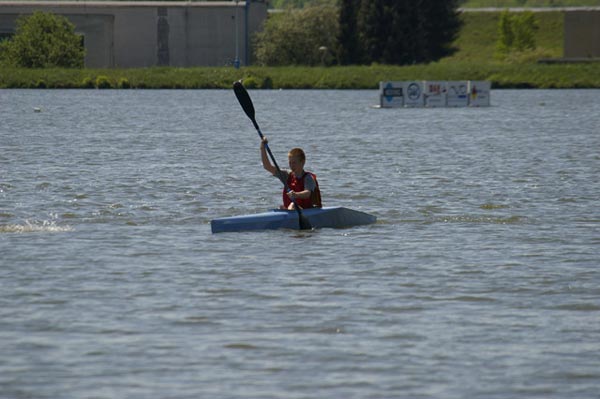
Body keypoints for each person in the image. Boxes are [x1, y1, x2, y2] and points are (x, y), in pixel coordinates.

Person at [260, 137, 322, 210]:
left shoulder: (308, 178)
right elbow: (267, 166)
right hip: (292, 210)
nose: (291, 165)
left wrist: (296, 195)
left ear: (302, 162)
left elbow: (307, 193)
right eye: (290, 162)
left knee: (292, 205)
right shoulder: (286, 175)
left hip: (306, 211)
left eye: (294, 163)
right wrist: (262, 148)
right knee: (281, 207)